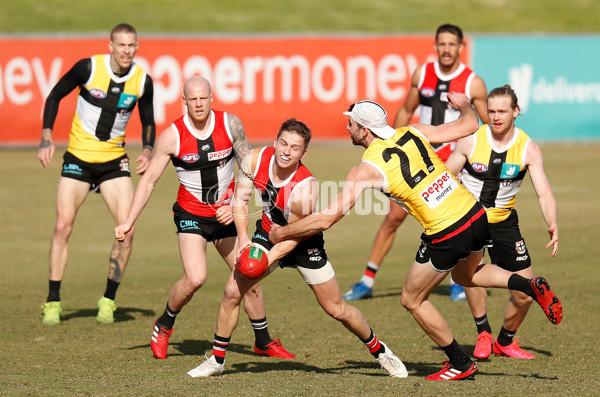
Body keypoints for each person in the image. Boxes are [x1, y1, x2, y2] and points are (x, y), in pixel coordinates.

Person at [269, 95, 563, 380]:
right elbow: (470, 124)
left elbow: (327, 218)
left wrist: (281, 231)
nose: (347, 128)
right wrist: (463, 105)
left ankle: (460, 362)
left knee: (412, 298)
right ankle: (528, 284)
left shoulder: (364, 169)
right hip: (475, 214)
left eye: (351, 124)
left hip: (446, 231)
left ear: (364, 129)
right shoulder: (413, 131)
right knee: (466, 275)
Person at [187, 118, 407, 378]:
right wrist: (244, 238)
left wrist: (266, 259)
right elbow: (240, 201)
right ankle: (217, 360)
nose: (286, 151)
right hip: (268, 231)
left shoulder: (305, 188)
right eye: (283, 143)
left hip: (303, 240)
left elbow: (293, 237)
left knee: (336, 308)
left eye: (294, 147)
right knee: (231, 292)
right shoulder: (254, 160)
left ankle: (381, 352)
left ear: (304, 153)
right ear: (274, 142)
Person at [114, 76, 293, 360]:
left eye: (203, 98)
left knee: (251, 274)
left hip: (226, 215)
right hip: (191, 215)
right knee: (195, 278)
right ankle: (164, 324)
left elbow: (250, 168)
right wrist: (128, 221)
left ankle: (263, 341)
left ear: (212, 98)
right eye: (192, 99)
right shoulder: (172, 136)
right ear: (183, 101)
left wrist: (236, 204)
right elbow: (149, 181)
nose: (198, 104)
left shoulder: (230, 124)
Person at [344, 23, 489, 302]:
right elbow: (407, 110)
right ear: (435, 46)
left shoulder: (473, 83)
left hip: (452, 161)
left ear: (461, 47)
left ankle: (459, 281)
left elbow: (482, 125)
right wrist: (388, 146)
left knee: (455, 217)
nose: (446, 49)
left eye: (452, 44)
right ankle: (367, 280)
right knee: (393, 218)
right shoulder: (422, 74)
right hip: (414, 159)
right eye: (441, 44)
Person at [38, 23, 156, 325]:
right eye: (121, 45)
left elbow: (148, 121)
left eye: (132, 46)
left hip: (114, 163)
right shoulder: (88, 68)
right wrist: (47, 136)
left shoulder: (142, 81)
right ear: (111, 46)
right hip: (78, 158)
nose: (127, 51)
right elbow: (53, 96)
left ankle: (108, 299)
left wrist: (146, 150)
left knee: (125, 230)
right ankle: (53, 300)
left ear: (137, 47)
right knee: (63, 226)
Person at [445, 85, 559, 360]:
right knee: (471, 278)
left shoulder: (527, 148)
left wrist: (552, 223)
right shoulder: (471, 140)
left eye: (502, 111)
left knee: (525, 291)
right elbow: (447, 175)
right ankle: (483, 333)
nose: (495, 117)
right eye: (492, 111)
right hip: (469, 221)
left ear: (516, 112)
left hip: (505, 223)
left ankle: (505, 341)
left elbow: (543, 191)